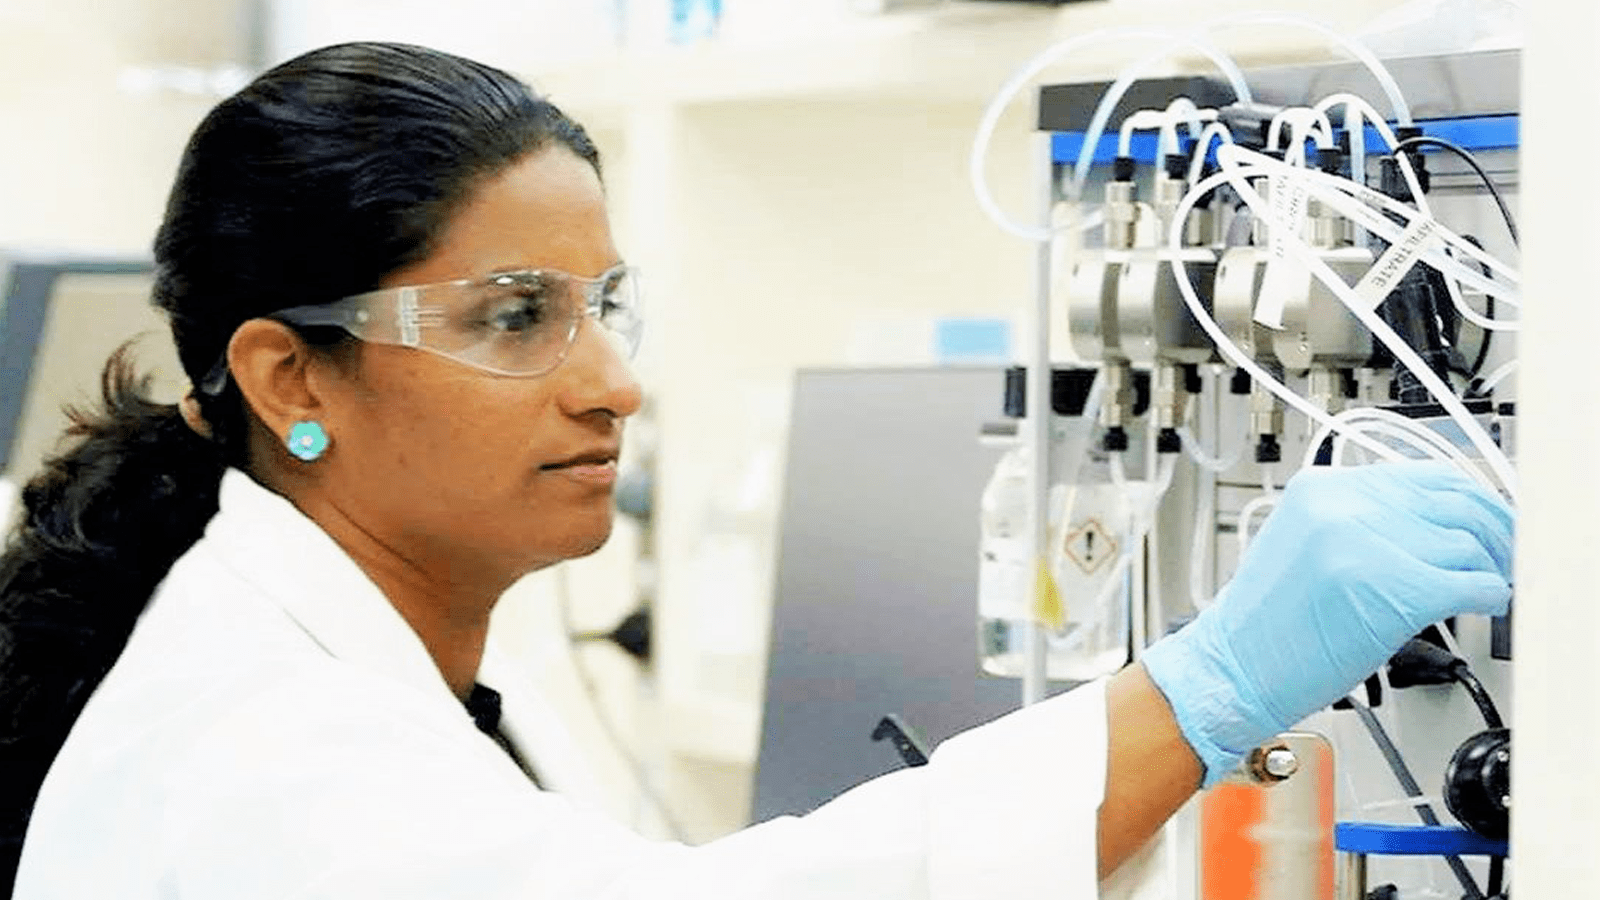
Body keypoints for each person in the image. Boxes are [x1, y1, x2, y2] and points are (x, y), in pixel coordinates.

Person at [0, 42, 1513, 900]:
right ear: (289, 378)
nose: (611, 382)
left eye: (604, 304)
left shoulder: (289, 661)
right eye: (516, 318)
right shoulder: (271, 758)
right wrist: (1207, 690)